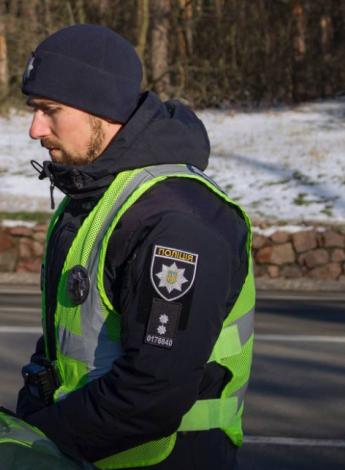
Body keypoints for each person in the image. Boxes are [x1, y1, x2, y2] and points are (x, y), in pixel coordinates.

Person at [14, 24, 254, 470]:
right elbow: (72, 334)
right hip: (91, 452)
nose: (34, 129)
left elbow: (152, 394)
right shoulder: (98, 196)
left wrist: (30, 446)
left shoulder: (174, 221)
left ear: (100, 109)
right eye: (34, 109)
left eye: (50, 110)